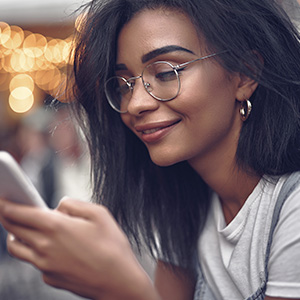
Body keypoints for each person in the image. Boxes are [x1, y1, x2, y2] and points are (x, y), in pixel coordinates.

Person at [0, 0, 300, 299]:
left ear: (245, 74)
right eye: (125, 84)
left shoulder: (292, 209)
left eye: (166, 73)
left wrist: (120, 287)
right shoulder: (183, 201)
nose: (135, 103)